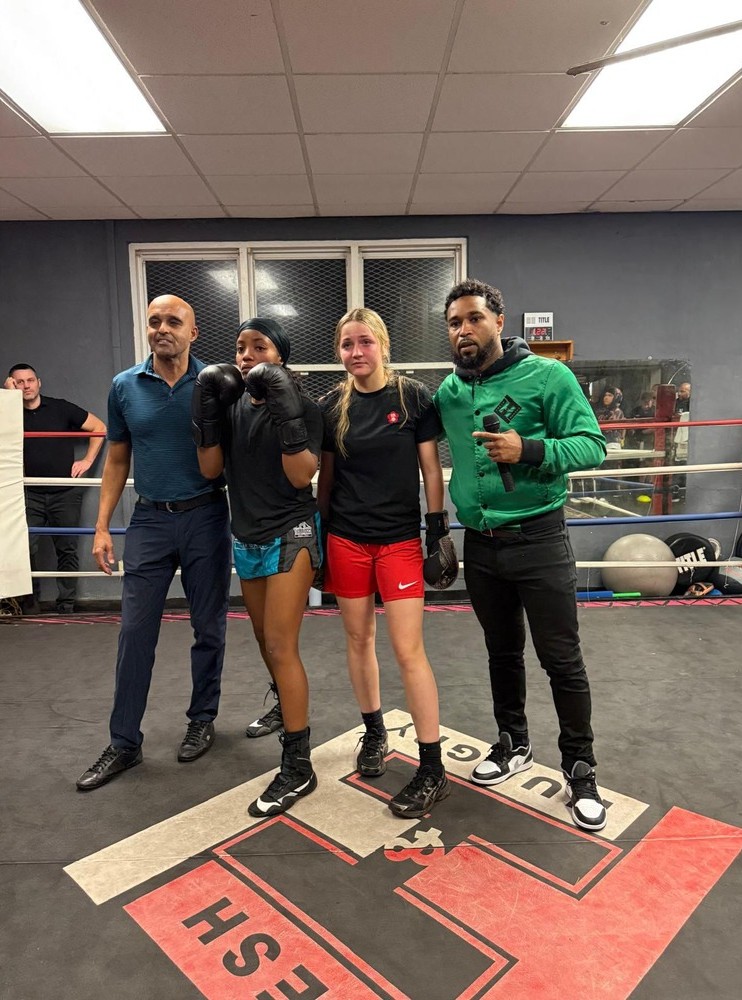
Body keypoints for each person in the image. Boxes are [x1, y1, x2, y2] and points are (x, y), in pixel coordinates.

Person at [434, 278, 608, 831]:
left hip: (540, 540)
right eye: (455, 322)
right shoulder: (450, 393)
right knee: (501, 652)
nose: (464, 329)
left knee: (561, 659)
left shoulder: (548, 376)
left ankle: (580, 768)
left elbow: (592, 444)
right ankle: (513, 743)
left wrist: (527, 448)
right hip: (481, 544)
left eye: (474, 318)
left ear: (499, 322)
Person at [76, 295, 232, 791]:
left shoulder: (215, 383)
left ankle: (202, 719)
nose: (162, 328)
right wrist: (103, 526)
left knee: (208, 626)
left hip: (207, 515)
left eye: (173, 322)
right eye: (154, 321)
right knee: (134, 632)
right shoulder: (125, 386)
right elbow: (117, 458)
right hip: (149, 521)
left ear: (193, 332)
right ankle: (124, 742)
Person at [317, 307, 453, 819]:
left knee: (408, 649)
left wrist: (436, 527)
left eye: (365, 342)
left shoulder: (412, 396)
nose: (356, 352)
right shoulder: (332, 406)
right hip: (347, 541)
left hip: (398, 542)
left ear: (383, 344)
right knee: (358, 640)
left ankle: (432, 767)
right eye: (347, 344)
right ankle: (374, 733)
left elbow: (431, 468)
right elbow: (326, 478)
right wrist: (319, 537)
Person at [193, 318, 323, 817]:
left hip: (292, 533)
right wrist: (207, 416)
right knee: (265, 640)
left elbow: (301, 475)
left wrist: (286, 412)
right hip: (246, 537)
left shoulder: (305, 406)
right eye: (240, 347)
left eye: (259, 347)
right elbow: (210, 470)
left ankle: (298, 764)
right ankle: (285, 708)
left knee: (280, 645)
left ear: (280, 357)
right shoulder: (229, 408)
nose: (246, 355)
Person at [3, 364, 106, 614]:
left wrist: (87, 460)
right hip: (28, 493)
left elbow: (99, 428)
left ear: (39, 382)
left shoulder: (60, 408)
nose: (26, 386)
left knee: (67, 548)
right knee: (24, 549)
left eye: (30, 380)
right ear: (11, 384)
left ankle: (66, 605)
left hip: (65, 493)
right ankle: (29, 605)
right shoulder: (8, 413)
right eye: (19, 382)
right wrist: (7, 399)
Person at [593, 386, 625, 450]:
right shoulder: (602, 411)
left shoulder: (617, 412)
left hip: (612, 443)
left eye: (610, 395)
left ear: (616, 397)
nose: (606, 397)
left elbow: (608, 428)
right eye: (605, 395)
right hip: (601, 442)